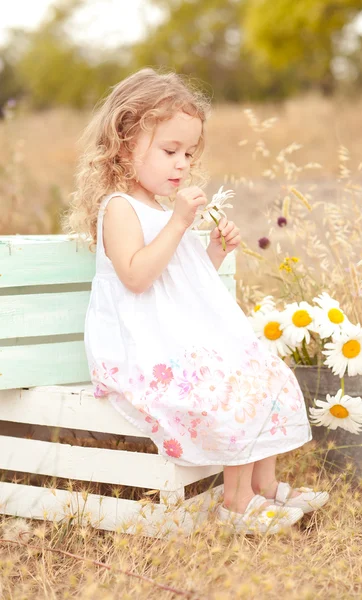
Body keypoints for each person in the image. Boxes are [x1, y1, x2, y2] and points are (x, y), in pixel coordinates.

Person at [63, 68, 328, 535]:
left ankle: (264, 488)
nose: (182, 163)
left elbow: (179, 279)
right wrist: (180, 224)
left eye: (188, 153)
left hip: (171, 340)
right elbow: (139, 277)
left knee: (261, 371)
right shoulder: (120, 208)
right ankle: (236, 503)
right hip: (137, 353)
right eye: (170, 151)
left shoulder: (163, 211)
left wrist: (214, 252)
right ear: (125, 143)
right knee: (224, 385)